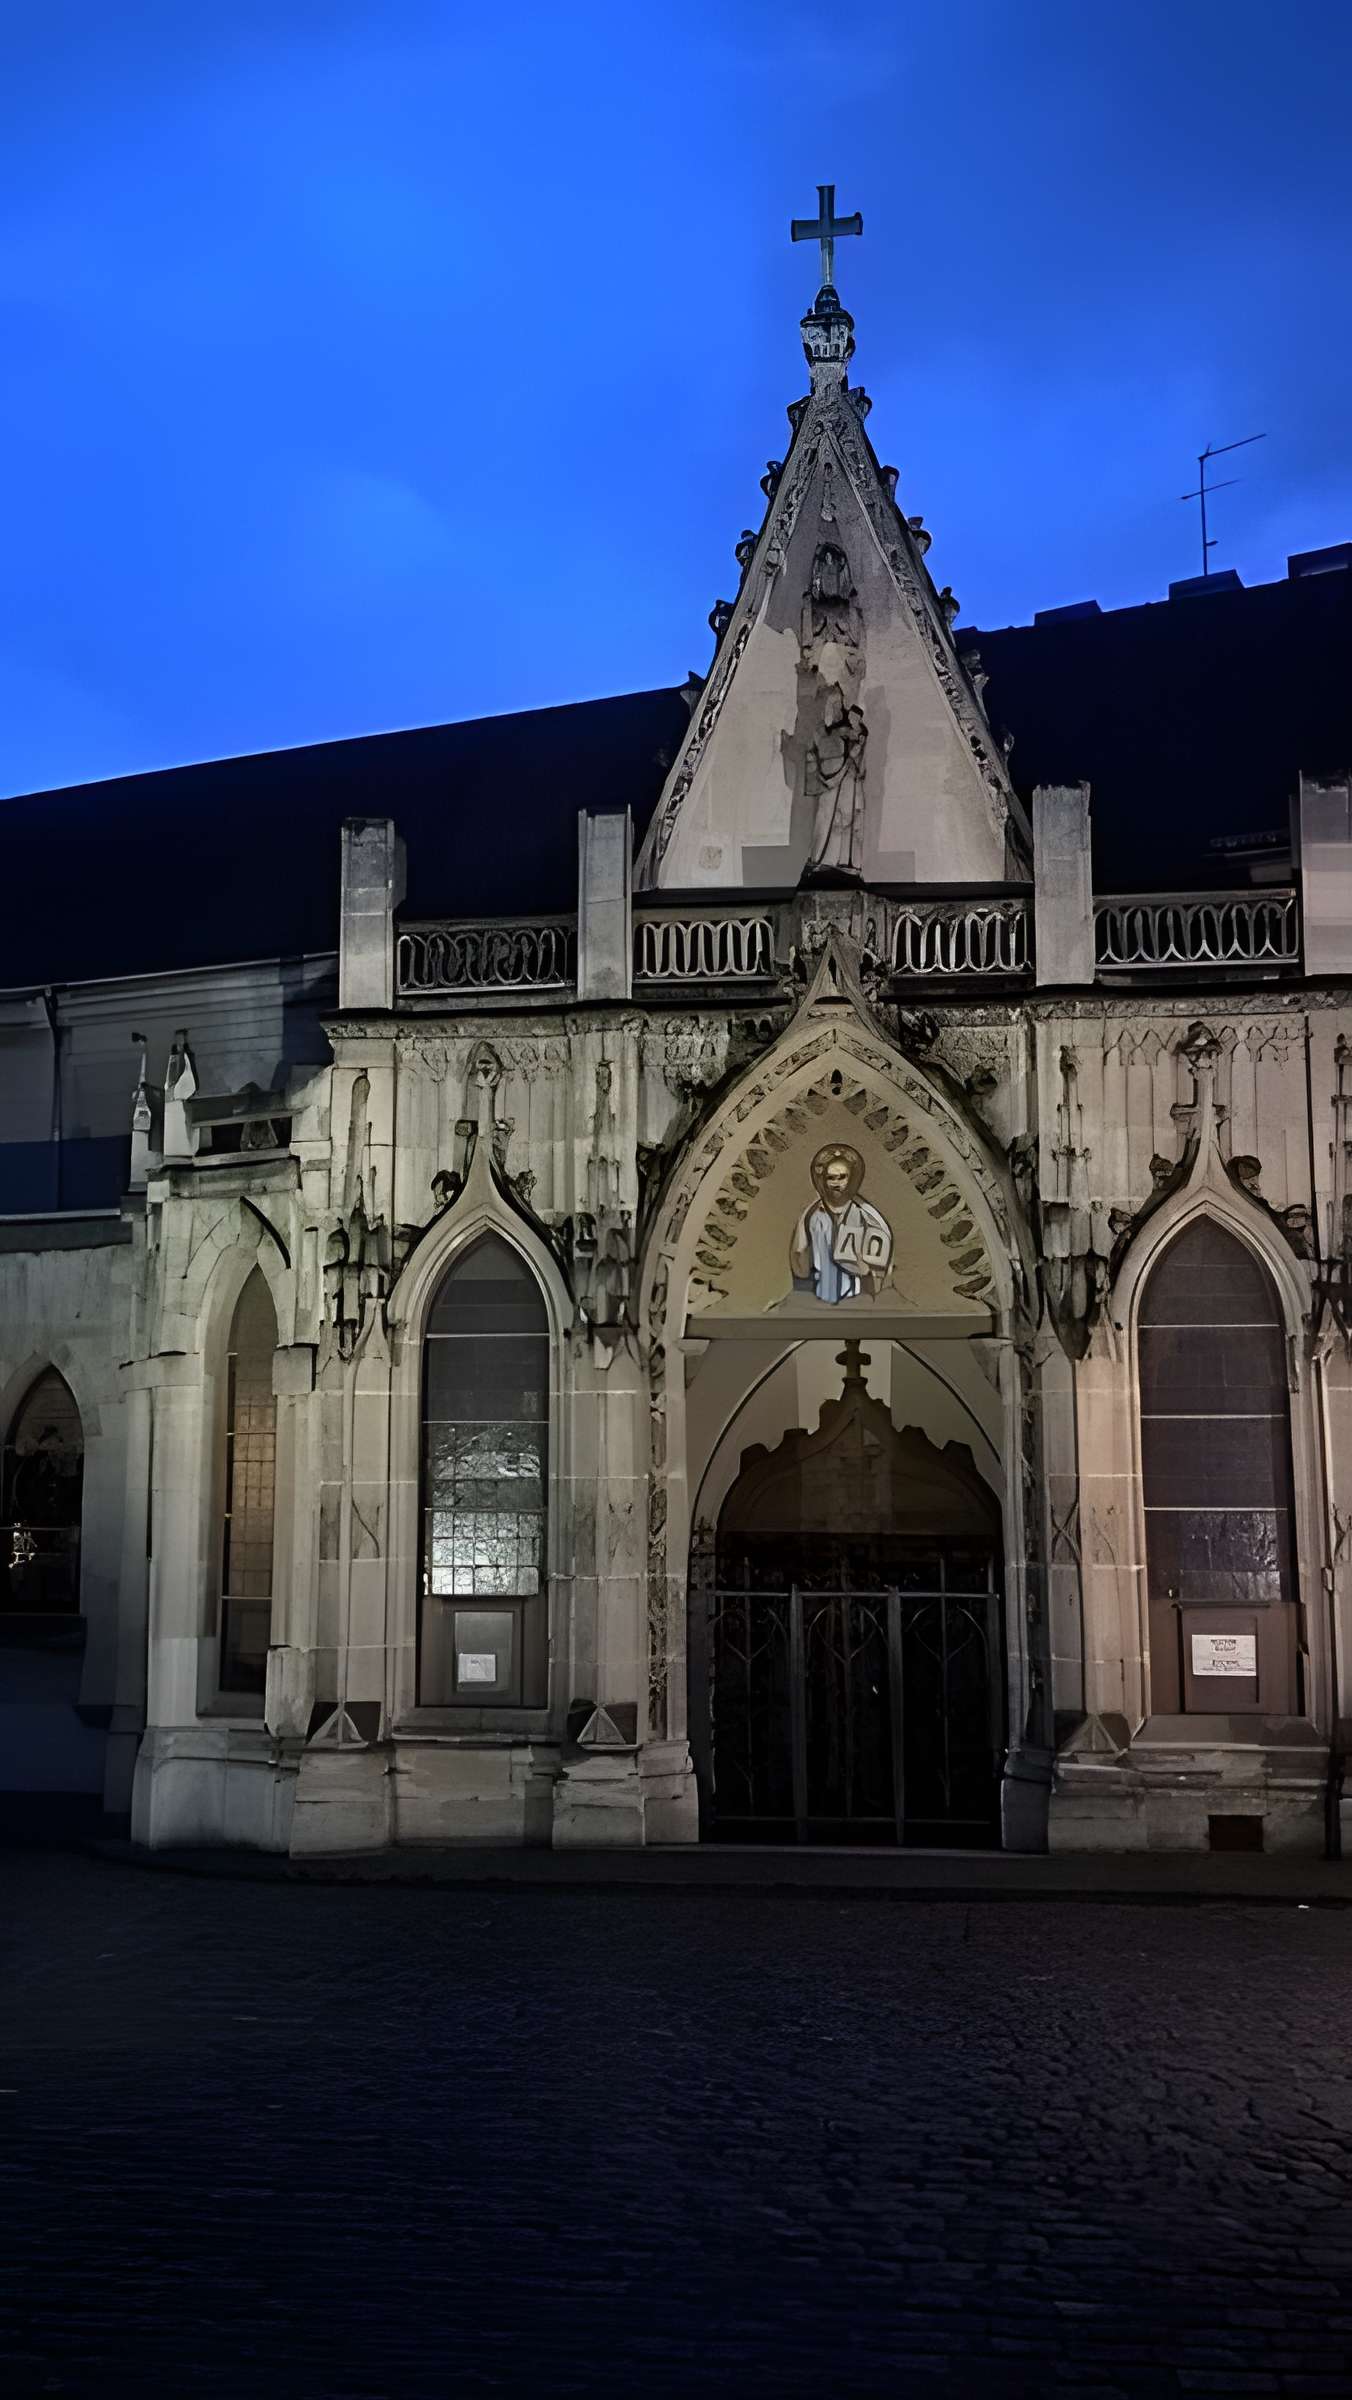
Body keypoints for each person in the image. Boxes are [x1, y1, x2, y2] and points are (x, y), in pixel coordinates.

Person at [790, 1143, 893, 1302]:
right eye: (831, 1178)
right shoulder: (814, 1215)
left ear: (851, 1178)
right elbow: (800, 1254)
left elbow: (877, 1260)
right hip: (821, 1287)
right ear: (822, 1180)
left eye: (842, 1177)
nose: (836, 1183)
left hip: (856, 1293)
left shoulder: (864, 1215)